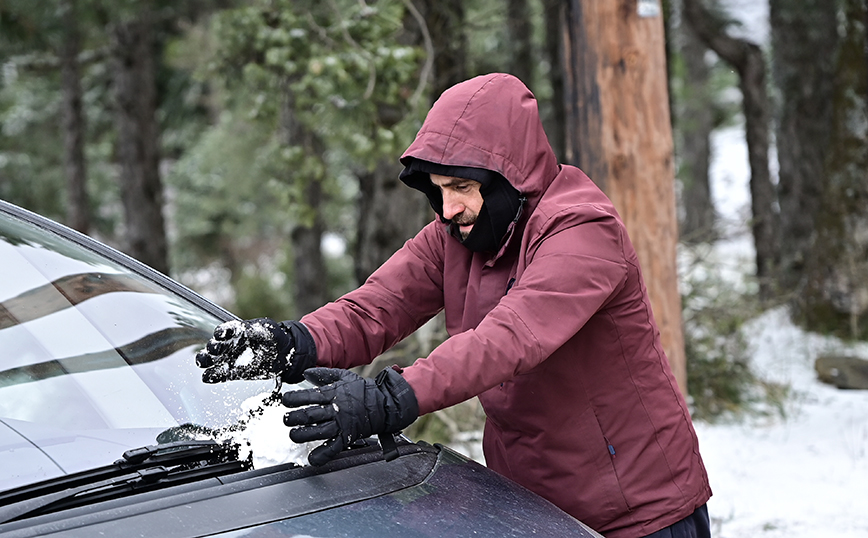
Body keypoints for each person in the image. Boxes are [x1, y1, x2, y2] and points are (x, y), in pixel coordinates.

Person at [195, 73, 712, 538]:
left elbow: (510, 338)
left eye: (462, 187)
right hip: (533, 508)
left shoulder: (583, 230)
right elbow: (375, 307)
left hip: (638, 512)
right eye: (439, 190)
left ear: (511, 177)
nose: (448, 209)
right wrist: (292, 341)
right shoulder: (454, 235)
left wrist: (388, 398)